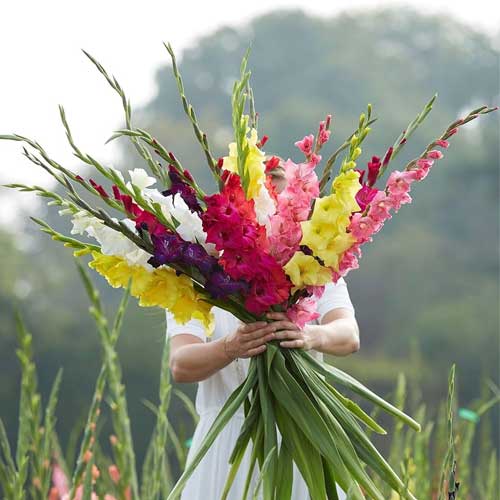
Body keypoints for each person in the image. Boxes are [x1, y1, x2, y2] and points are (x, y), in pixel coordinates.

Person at [167, 164, 360, 499]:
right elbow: (181, 364)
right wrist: (230, 347)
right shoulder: (196, 274)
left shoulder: (313, 261)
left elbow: (348, 335)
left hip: (303, 433)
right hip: (226, 442)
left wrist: (309, 336)